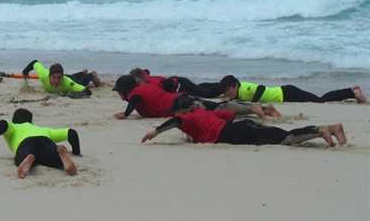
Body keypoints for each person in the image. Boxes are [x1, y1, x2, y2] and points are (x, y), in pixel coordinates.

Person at [141, 95, 348, 147]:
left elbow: (176, 122)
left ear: (181, 110)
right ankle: (325, 130)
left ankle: (323, 130)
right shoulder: (204, 113)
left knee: (286, 140)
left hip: (231, 134)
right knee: (281, 135)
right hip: (239, 126)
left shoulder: (184, 117)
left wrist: (156, 132)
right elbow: (230, 116)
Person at [112, 75, 280, 120]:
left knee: (217, 109)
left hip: (181, 104)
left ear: (126, 90)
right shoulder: (145, 88)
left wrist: (126, 114)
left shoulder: (135, 94)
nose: (120, 95)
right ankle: (265, 109)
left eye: (120, 92)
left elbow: (134, 100)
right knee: (216, 107)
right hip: (182, 98)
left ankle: (251, 108)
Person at [0, 108, 80, 179]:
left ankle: (28, 159)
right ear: (31, 122)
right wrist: (76, 152)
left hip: (26, 144)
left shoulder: (14, 127)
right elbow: (71, 133)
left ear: (14, 121)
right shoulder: (44, 129)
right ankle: (62, 156)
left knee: (22, 157)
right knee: (54, 158)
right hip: (45, 141)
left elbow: (2, 124)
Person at [220, 75, 367, 104]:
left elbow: (260, 88)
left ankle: (352, 92)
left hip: (287, 93)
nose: (227, 94)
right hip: (286, 95)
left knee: (320, 100)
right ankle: (351, 90)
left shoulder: (245, 87)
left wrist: (254, 102)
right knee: (319, 99)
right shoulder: (238, 92)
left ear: (234, 86)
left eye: (228, 91)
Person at [129, 68, 226, 98]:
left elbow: (162, 94)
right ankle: (220, 84)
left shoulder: (151, 83)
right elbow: (147, 70)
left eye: (137, 81)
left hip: (181, 85)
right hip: (179, 81)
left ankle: (224, 87)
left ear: (140, 77)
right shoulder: (146, 76)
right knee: (198, 88)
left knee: (205, 94)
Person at [21, 59, 97, 98]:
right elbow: (34, 62)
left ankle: (92, 74)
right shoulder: (44, 75)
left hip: (71, 80)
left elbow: (88, 92)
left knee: (80, 81)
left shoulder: (68, 83)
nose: (56, 81)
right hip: (68, 77)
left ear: (62, 76)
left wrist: (70, 95)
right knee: (73, 76)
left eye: (59, 78)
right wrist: (25, 72)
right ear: (49, 76)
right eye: (54, 77)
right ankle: (83, 72)